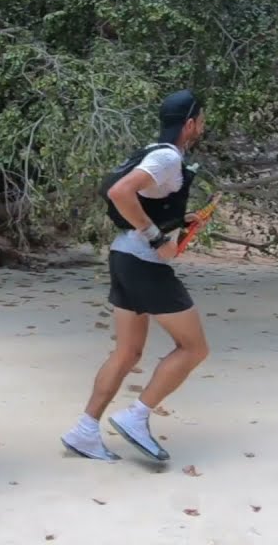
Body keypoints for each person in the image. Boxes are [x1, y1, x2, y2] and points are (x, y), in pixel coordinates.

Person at [61, 89, 210, 462]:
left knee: (127, 351)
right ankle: (136, 416)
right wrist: (157, 237)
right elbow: (120, 192)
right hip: (144, 263)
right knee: (194, 348)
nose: (203, 126)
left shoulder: (152, 151)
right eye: (202, 120)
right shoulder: (166, 157)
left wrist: (178, 221)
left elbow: (145, 201)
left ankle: (84, 431)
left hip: (124, 256)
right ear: (189, 123)